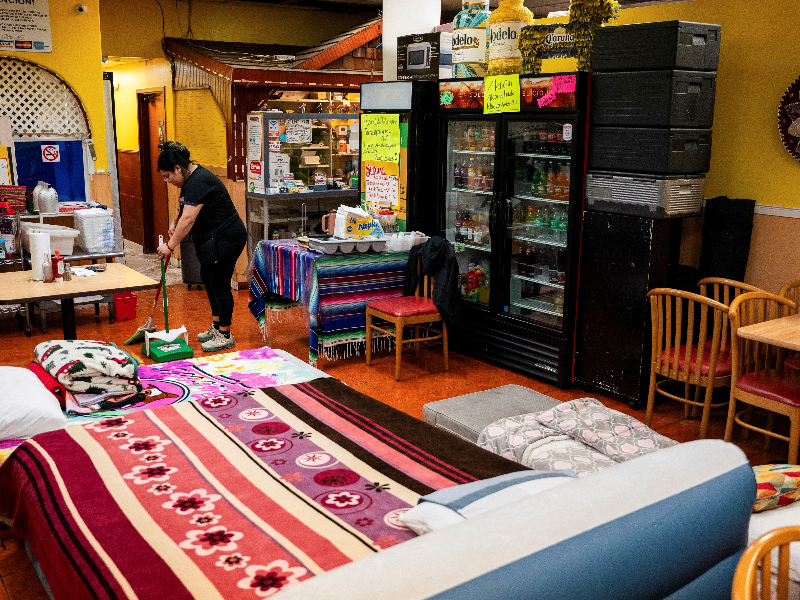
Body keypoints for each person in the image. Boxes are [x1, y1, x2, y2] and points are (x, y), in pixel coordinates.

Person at [156, 142, 247, 352]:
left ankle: (225, 335)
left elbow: (189, 219)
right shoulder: (189, 179)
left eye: (167, 176)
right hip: (212, 237)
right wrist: (174, 222)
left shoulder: (199, 180)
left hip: (226, 237)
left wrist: (170, 246)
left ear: (177, 168)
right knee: (207, 277)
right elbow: (185, 208)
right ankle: (216, 325)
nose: (168, 181)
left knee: (219, 282)